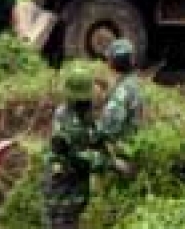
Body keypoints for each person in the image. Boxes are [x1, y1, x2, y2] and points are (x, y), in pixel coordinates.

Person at [44, 65, 132, 229]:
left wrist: (111, 141)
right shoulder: (68, 123)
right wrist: (113, 164)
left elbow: (93, 131)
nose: (90, 100)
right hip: (63, 197)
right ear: (77, 98)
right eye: (86, 97)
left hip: (74, 192)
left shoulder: (78, 112)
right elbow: (80, 158)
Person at [96, 39, 144, 146]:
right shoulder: (132, 81)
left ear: (114, 62)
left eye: (109, 58)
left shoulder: (122, 90)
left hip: (121, 145)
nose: (107, 61)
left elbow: (109, 126)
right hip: (132, 139)